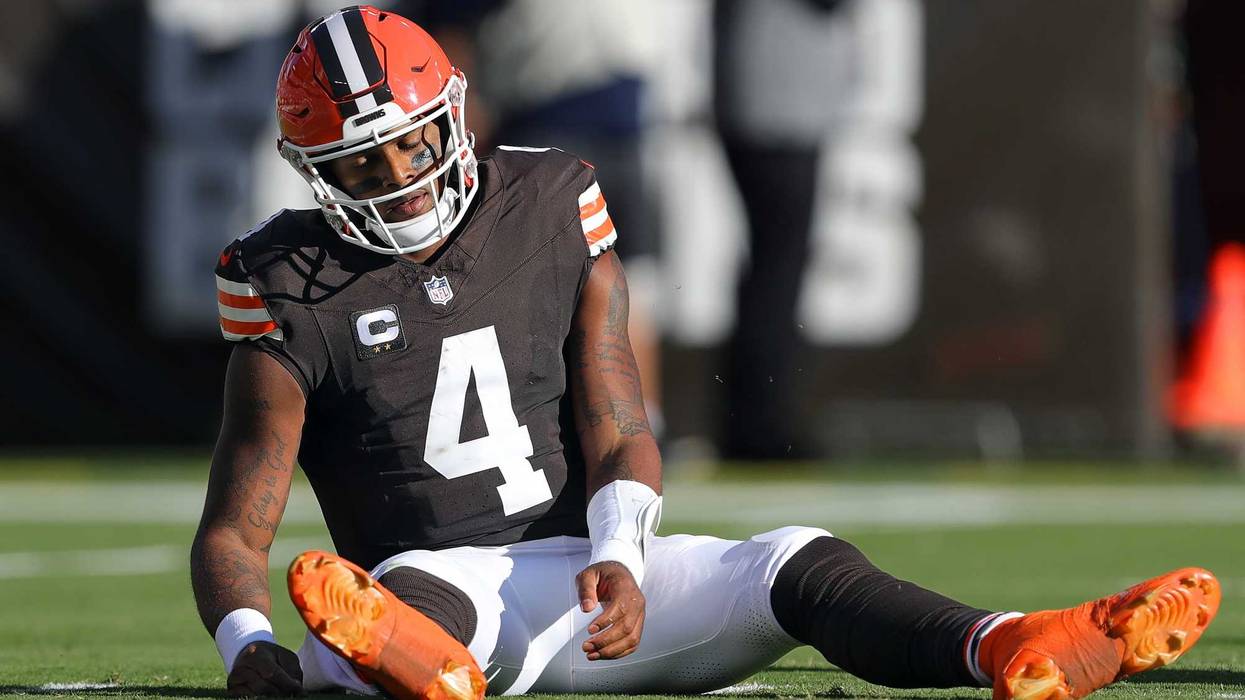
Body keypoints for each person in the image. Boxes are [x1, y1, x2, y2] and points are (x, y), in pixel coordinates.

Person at [190, 7, 1220, 700]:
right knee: (382, 597)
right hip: (438, 584)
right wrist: (248, 650)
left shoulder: (549, 198)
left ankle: (1011, 640)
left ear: (454, 115)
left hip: (588, 576)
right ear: (314, 172)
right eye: (361, 164)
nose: (400, 178)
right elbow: (239, 522)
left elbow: (617, 418)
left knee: (793, 557)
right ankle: (409, 668)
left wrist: (622, 556)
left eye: (411, 145)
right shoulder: (284, 278)